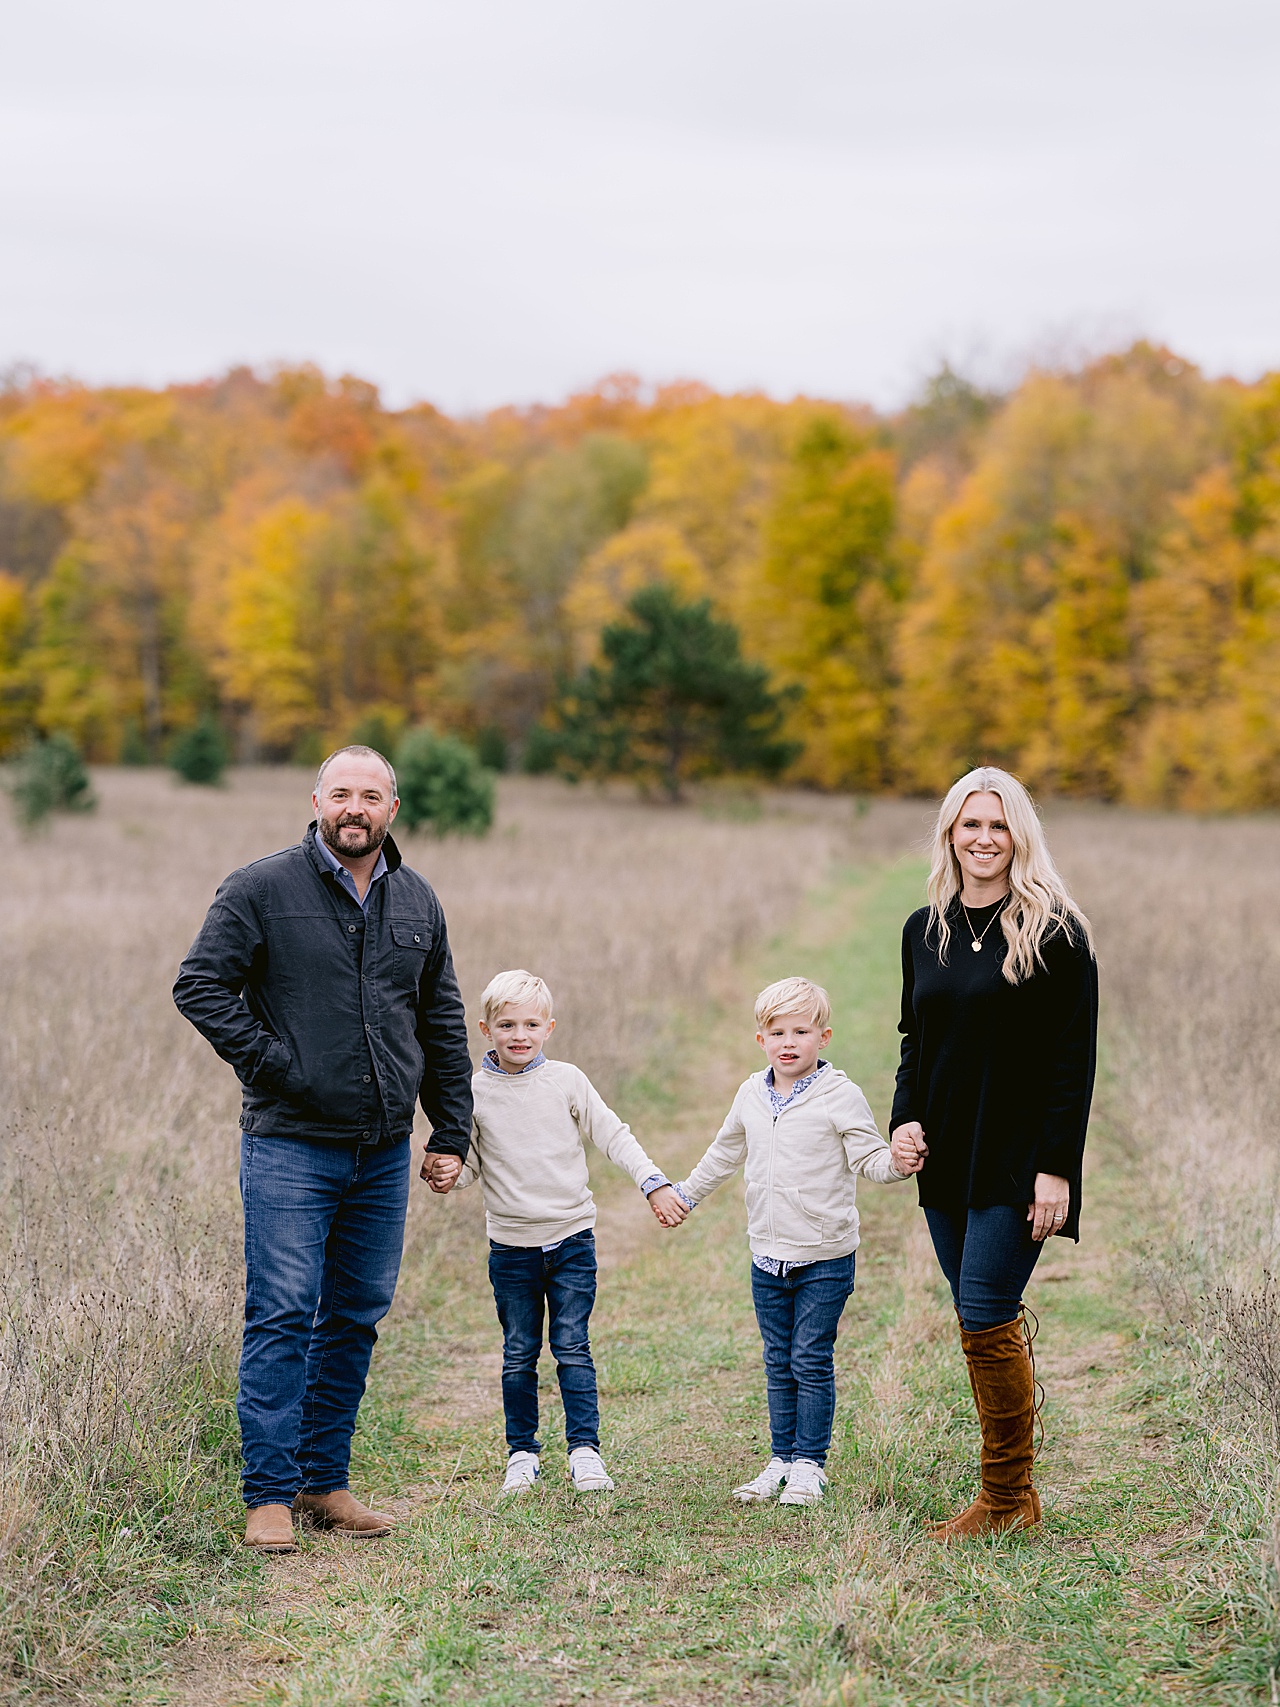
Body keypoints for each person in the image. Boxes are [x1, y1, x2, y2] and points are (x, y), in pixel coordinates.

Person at [173, 745, 473, 1554]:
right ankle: (268, 1494)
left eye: (370, 795)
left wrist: (450, 1128)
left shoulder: (417, 898)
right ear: (316, 801)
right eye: (341, 793)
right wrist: (277, 1065)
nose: (354, 808)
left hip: (382, 1150)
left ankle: (322, 1480)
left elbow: (440, 1020)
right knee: (281, 1313)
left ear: (392, 809)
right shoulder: (260, 888)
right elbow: (199, 984)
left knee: (354, 1315)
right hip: (290, 1146)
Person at [890, 765, 1098, 1541]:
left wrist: (1056, 1168)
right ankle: (1014, 1494)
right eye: (970, 823)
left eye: (998, 824)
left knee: (984, 1312)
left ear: (1020, 834)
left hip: (1018, 1158)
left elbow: (1072, 1062)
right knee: (982, 1320)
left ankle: (1006, 1498)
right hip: (948, 1152)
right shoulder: (925, 929)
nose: (984, 838)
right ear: (951, 832)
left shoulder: (1057, 932)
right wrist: (903, 1118)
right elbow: (915, 1040)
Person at [424, 969, 685, 1495]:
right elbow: (471, 1166)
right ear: (485, 1029)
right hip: (511, 1248)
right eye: (506, 1025)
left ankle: (585, 1452)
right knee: (519, 1351)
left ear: (549, 1027)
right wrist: (448, 1172)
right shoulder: (473, 1093)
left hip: (571, 1240)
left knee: (571, 1345)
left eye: (531, 1024)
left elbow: (613, 1135)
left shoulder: (566, 1080)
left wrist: (653, 1182)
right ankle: (522, 1454)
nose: (519, 1035)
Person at [666, 977, 914, 1507]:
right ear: (761, 1039)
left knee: (810, 1357)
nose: (788, 1042)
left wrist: (897, 1163)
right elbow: (724, 1153)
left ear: (824, 1037)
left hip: (824, 1255)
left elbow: (868, 1158)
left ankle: (809, 1466)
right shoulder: (751, 1095)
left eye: (801, 1032)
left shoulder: (840, 1096)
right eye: (777, 1032)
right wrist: (685, 1194)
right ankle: (780, 1459)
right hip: (767, 1255)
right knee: (778, 1360)